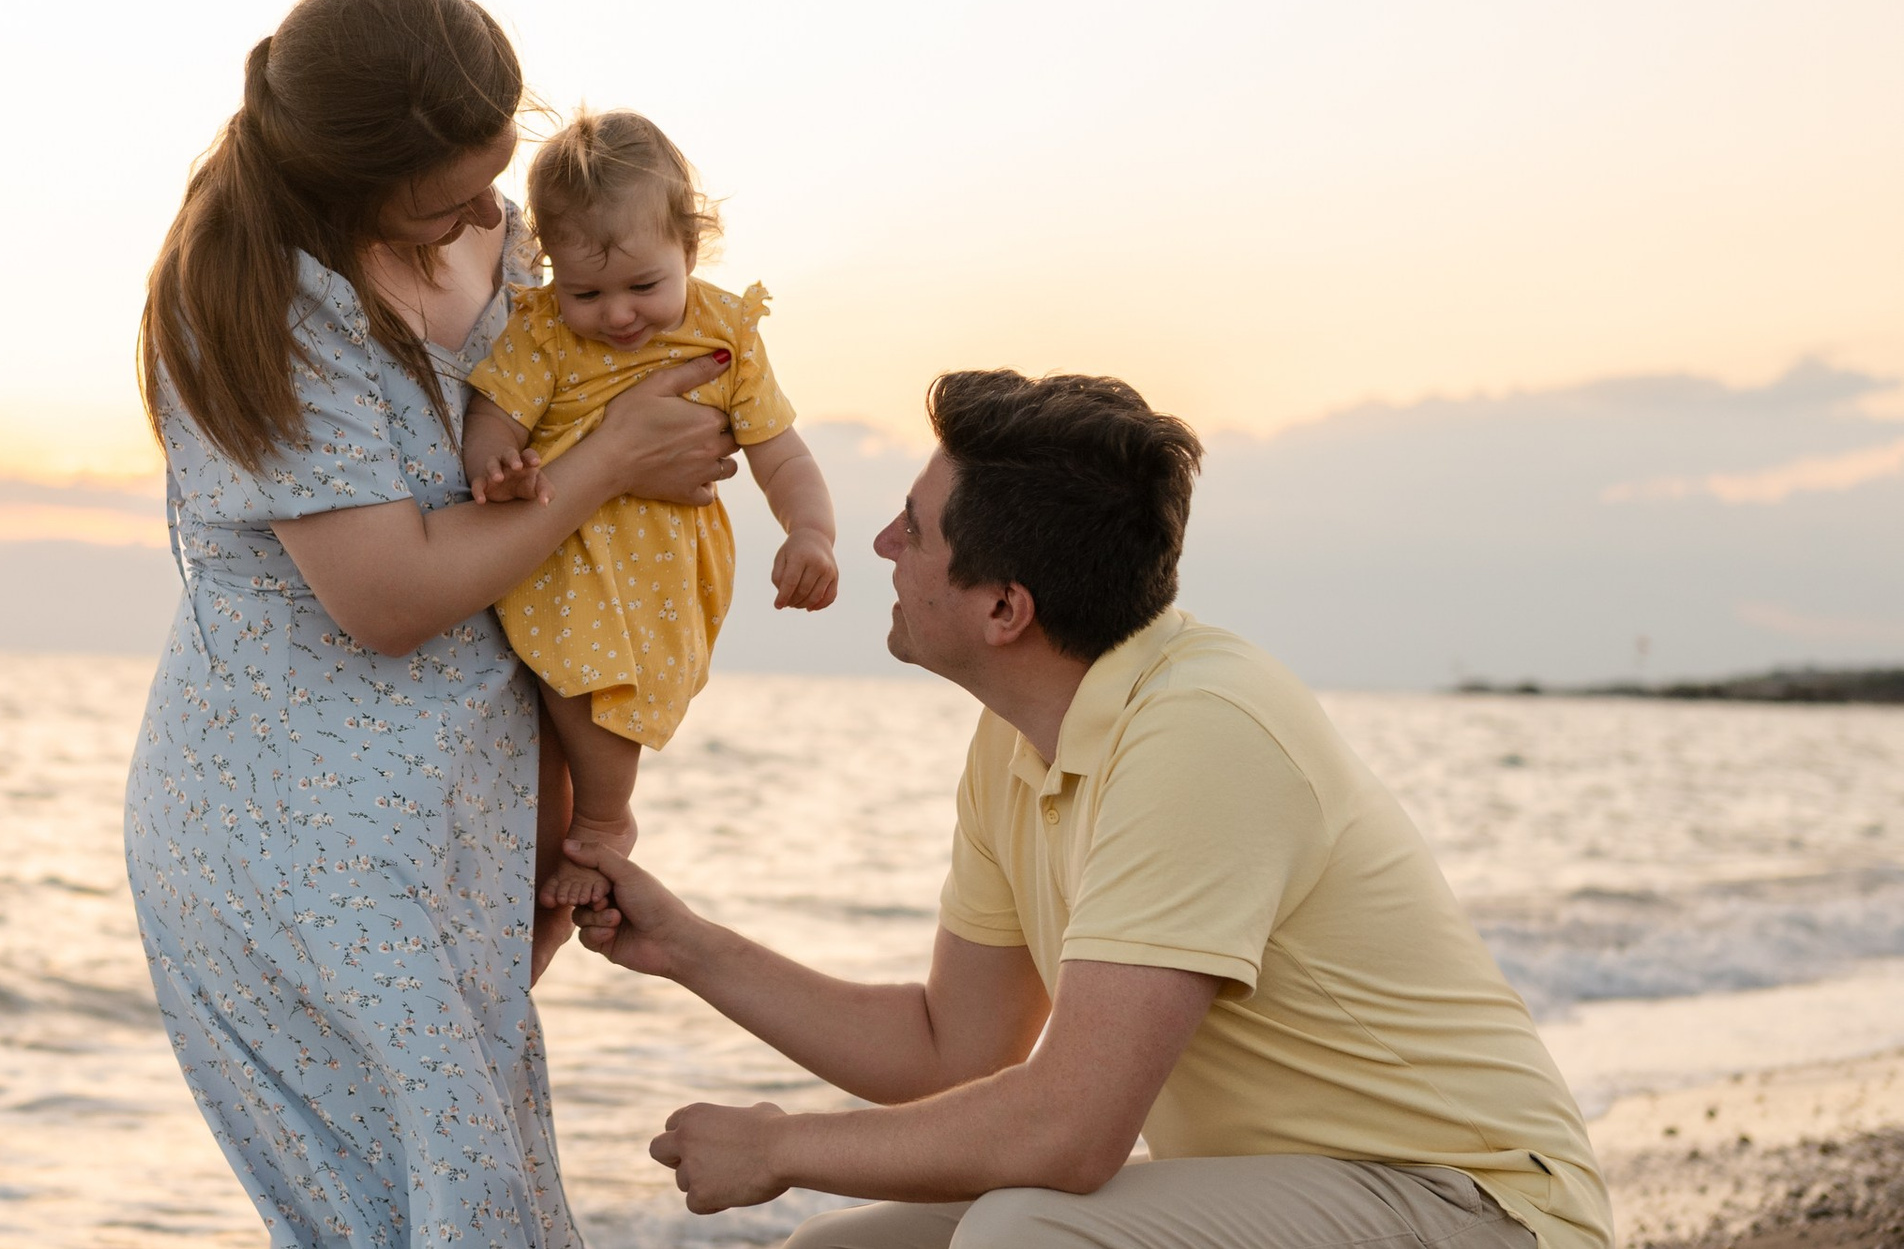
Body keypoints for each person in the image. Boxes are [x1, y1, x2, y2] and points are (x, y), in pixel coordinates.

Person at [574, 369, 1614, 1249]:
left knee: (1024, 1236)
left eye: (915, 526)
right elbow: (949, 1049)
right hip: (1306, 1196)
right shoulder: (1020, 736)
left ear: (1002, 609)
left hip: (1477, 1206)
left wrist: (782, 1148)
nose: (883, 544)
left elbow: (1071, 1131)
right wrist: (684, 946)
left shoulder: (1203, 728)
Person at [123, 0, 740, 1249]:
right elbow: (391, 597)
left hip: (460, 801)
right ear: (349, 179)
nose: (487, 211)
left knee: (474, 1198)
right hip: (297, 818)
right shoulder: (258, 302)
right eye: (450, 193)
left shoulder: (494, 233)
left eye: (496, 171)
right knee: (443, 1214)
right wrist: (615, 460)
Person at [461, 110, 840, 912]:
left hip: (661, 564)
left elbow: (779, 450)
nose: (618, 314)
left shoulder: (725, 335)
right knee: (561, 690)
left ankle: (603, 822)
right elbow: (495, 411)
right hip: (562, 549)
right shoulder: (545, 334)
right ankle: (571, 839)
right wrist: (493, 460)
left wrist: (811, 531)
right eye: (586, 291)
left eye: (643, 286)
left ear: (690, 251)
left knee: (603, 689)